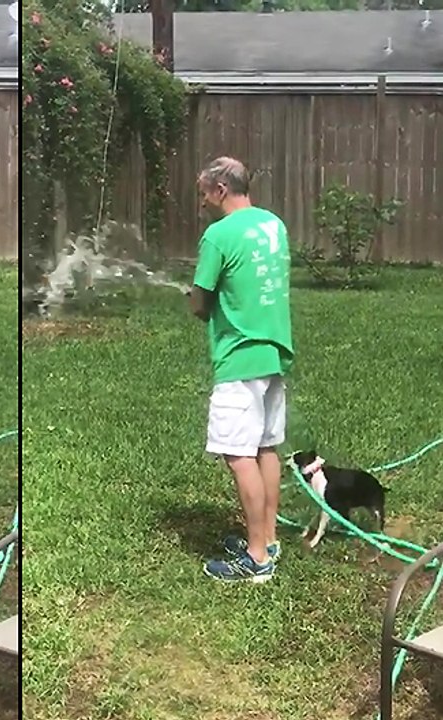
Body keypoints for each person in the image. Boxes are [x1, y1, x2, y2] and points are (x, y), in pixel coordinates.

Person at [187, 156, 294, 583]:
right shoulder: (274, 225)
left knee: (239, 455)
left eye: (203, 194)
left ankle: (256, 560)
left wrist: (193, 299)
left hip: (240, 356)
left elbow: (200, 302)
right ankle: (267, 539)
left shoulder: (218, 235)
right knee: (266, 447)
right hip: (274, 351)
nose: (202, 203)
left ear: (220, 190)